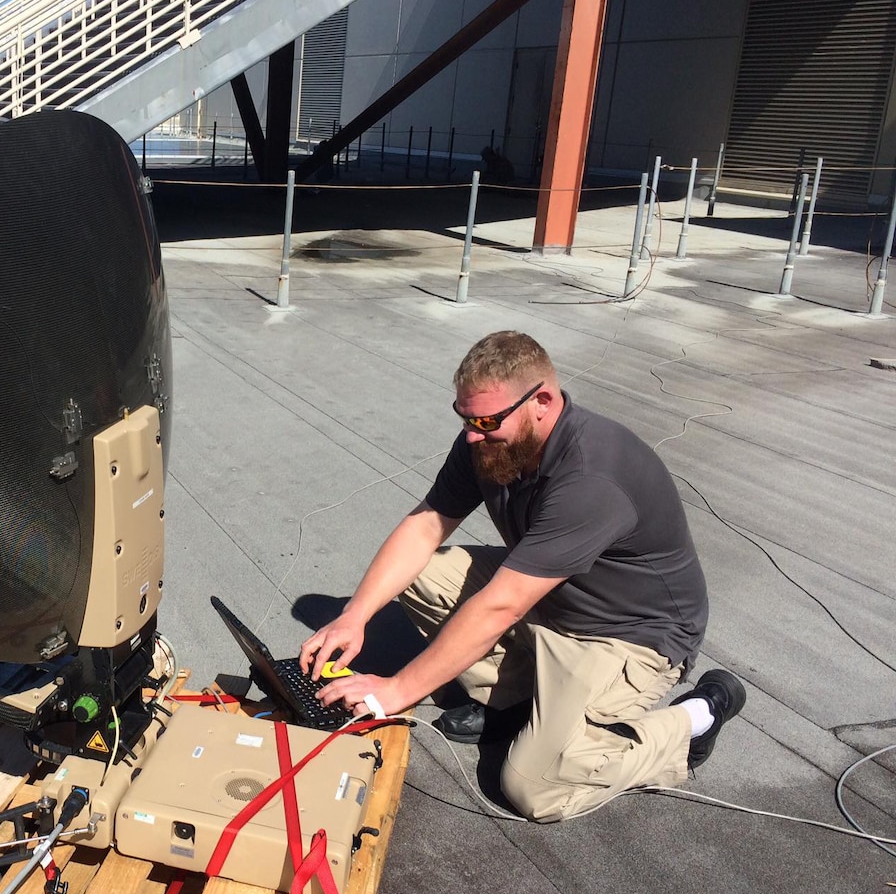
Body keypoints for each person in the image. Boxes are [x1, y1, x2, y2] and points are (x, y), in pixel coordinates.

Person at [302, 330, 743, 822]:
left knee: (533, 788)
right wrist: (354, 615)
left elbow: (502, 603)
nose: (472, 434)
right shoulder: (490, 442)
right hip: (554, 597)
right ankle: (511, 701)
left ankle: (695, 720)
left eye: (487, 421)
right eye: (464, 418)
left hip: (628, 637)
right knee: (423, 571)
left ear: (543, 401)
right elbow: (427, 524)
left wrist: (397, 690)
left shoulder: (592, 477)